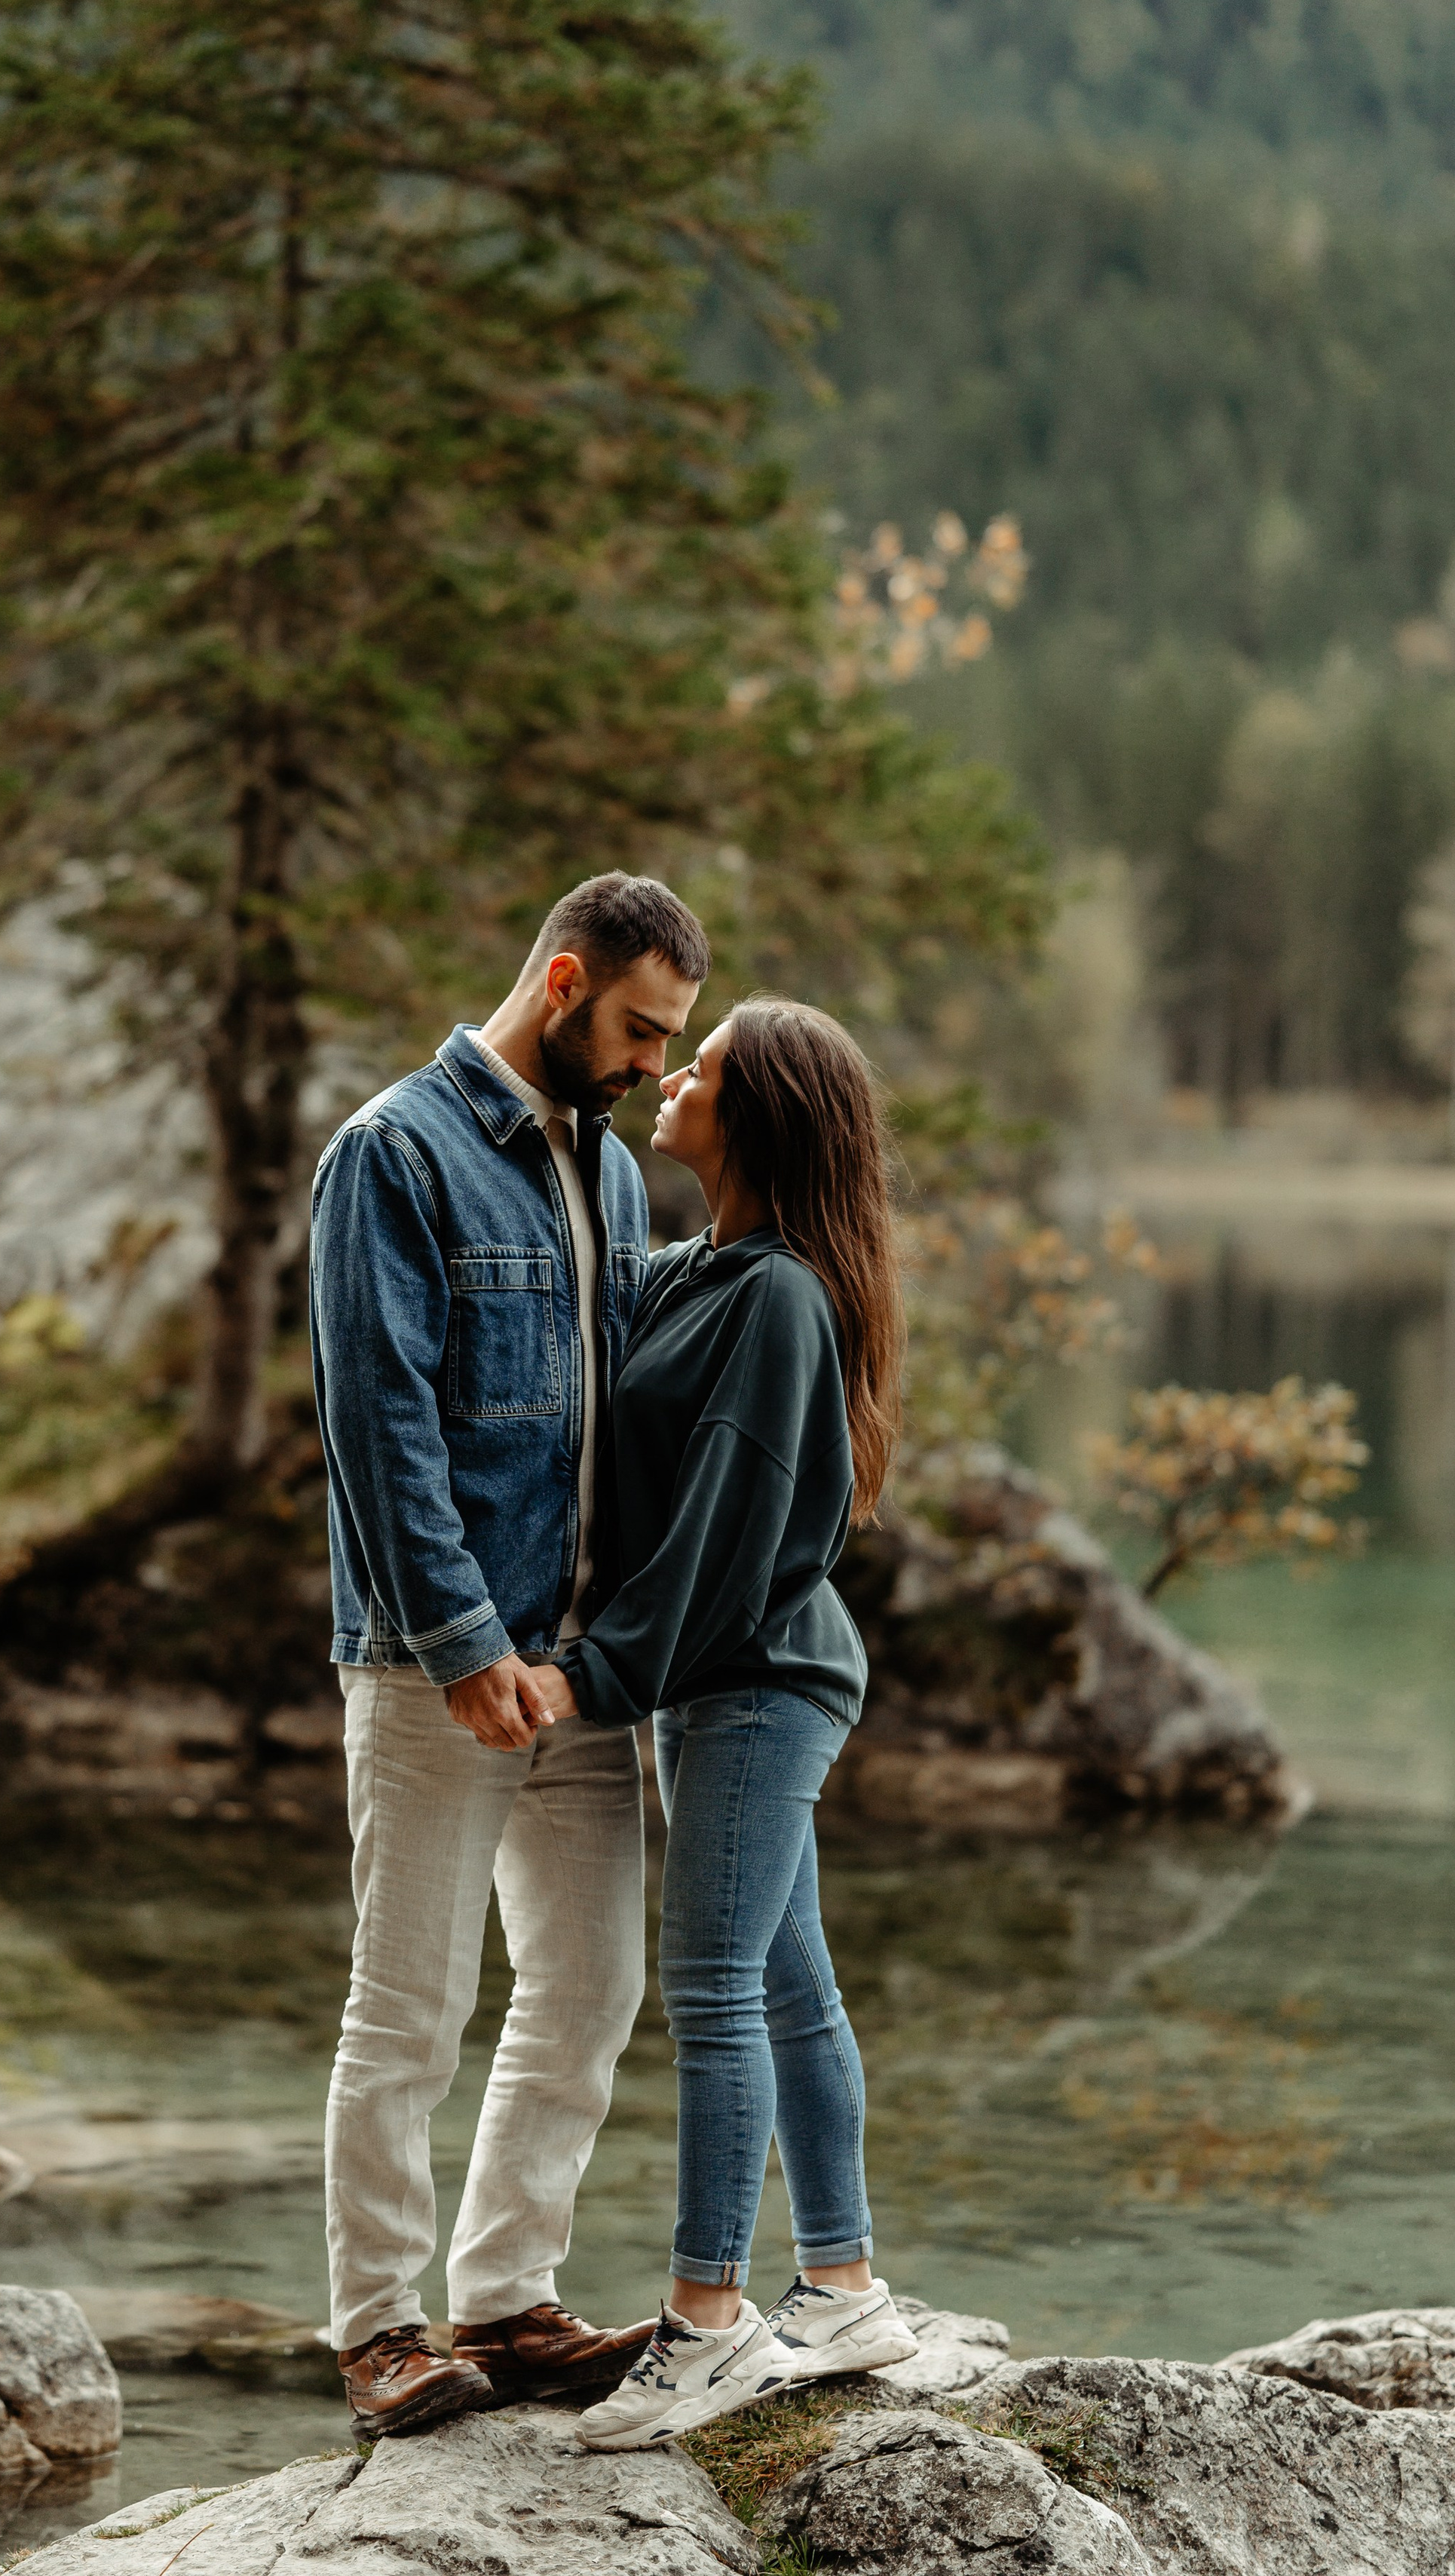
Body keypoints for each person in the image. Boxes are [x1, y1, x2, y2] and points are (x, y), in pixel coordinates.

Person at [309, 871, 711, 2440]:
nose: (646, 1062)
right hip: (436, 1665)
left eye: (668, 1040)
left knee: (590, 1985)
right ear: (558, 982)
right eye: (633, 1027)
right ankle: (375, 2330)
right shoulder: (388, 1154)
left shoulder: (608, 1175)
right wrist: (465, 1644)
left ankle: (505, 2294)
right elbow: (377, 1423)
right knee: (407, 2003)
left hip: (584, 1664)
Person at [525, 998, 920, 2448]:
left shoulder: (779, 1302)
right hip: (720, 1676)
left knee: (712, 1988)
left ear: (755, 1116)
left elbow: (722, 1531)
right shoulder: (705, 1269)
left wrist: (595, 1673)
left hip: (757, 1676)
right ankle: (843, 2285)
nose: (673, 1076)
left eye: (703, 1064)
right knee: (790, 1979)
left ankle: (707, 2322)